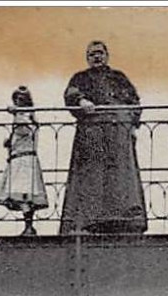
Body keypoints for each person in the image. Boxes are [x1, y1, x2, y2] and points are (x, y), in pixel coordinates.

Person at [60, 41, 147, 235]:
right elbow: (71, 94)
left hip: (118, 135)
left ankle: (123, 220)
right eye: (92, 54)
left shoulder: (119, 77)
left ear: (107, 55)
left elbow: (134, 101)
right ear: (87, 58)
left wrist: (132, 123)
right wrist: (81, 101)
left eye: (99, 53)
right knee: (93, 176)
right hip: (93, 134)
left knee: (120, 177)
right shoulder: (80, 78)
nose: (96, 57)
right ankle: (89, 220)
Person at [0, 86, 48, 235]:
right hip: (19, 158)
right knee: (23, 194)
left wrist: (16, 114)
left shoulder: (27, 118)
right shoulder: (25, 118)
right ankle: (28, 226)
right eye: (16, 100)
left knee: (25, 194)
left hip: (24, 160)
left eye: (20, 100)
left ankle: (29, 226)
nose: (18, 103)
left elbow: (24, 129)